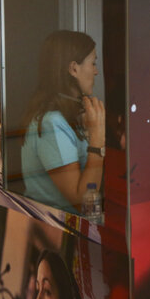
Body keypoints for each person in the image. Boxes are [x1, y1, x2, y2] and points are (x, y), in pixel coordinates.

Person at [20, 31, 105, 215]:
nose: (96, 71)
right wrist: (97, 140)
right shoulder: (52, 122)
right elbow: (84, 203)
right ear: (74, 69)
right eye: (93, 63)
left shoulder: (70, 116)